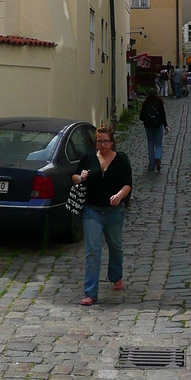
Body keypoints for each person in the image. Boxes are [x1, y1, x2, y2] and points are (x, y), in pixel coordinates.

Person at [72, 125, 132, 305]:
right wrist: (81, 177)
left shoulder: (121, 160)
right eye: (99, 141)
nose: (103, 144)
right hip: (92, 210)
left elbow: (127, 184)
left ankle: (116, 276)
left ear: (112, 142)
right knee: (93, 251)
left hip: (114, 211)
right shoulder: (88, 158)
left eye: (106, 141)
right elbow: (74, 177)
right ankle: (90, 292)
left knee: (115, 246)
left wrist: (119, 196)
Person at [139, 87, 169, 172]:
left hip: (148, 126)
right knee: (158, 144)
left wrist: (146, 119)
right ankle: (158, 157)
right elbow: (163, 114)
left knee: (150, 144)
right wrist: (165, 125)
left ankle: (151, 165)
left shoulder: (146, 102)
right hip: (157, 125)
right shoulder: (159, 102)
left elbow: (141, 116)